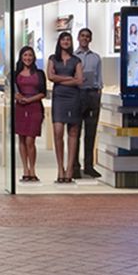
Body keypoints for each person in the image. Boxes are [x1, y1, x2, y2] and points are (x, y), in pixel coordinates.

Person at [46, 31, 83, 183]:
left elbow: (79, 80)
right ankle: (59, 168)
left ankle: (69, 170)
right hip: (59, 98)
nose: (66, 42)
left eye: (68, 39)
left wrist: (60, 79)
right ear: (59, 42)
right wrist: (69, 78)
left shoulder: (76, 60)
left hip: (73, 97)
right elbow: (50, 76)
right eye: (63, 39)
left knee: (73, 132)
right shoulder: (52, 58)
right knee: (58, 131)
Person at [12, 46, 46, 182]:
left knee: (30, 140)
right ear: (21, 57)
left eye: (30, 55)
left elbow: (43, 92)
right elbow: (10, 90)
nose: (28, 58)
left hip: (35, 107)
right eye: (25, 55)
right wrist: (17, 97)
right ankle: (25, 169)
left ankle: (33, 169)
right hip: (20, 108)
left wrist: (29, 99)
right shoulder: (15, 74)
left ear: (34, 57)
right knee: (21, 138)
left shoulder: (39, 73)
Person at [73, 27, 103, 180]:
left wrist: (98, 94)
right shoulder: (72, 57)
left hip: (92, 95)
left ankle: (89, 166)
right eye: (82, 36)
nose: (85, 38)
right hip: (77, 95)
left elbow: (99, 80)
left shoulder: (96, 58)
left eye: (87, 36)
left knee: (90, 133)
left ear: (90, 39)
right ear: (78, 38)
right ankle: (74, 167)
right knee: (75, 133)